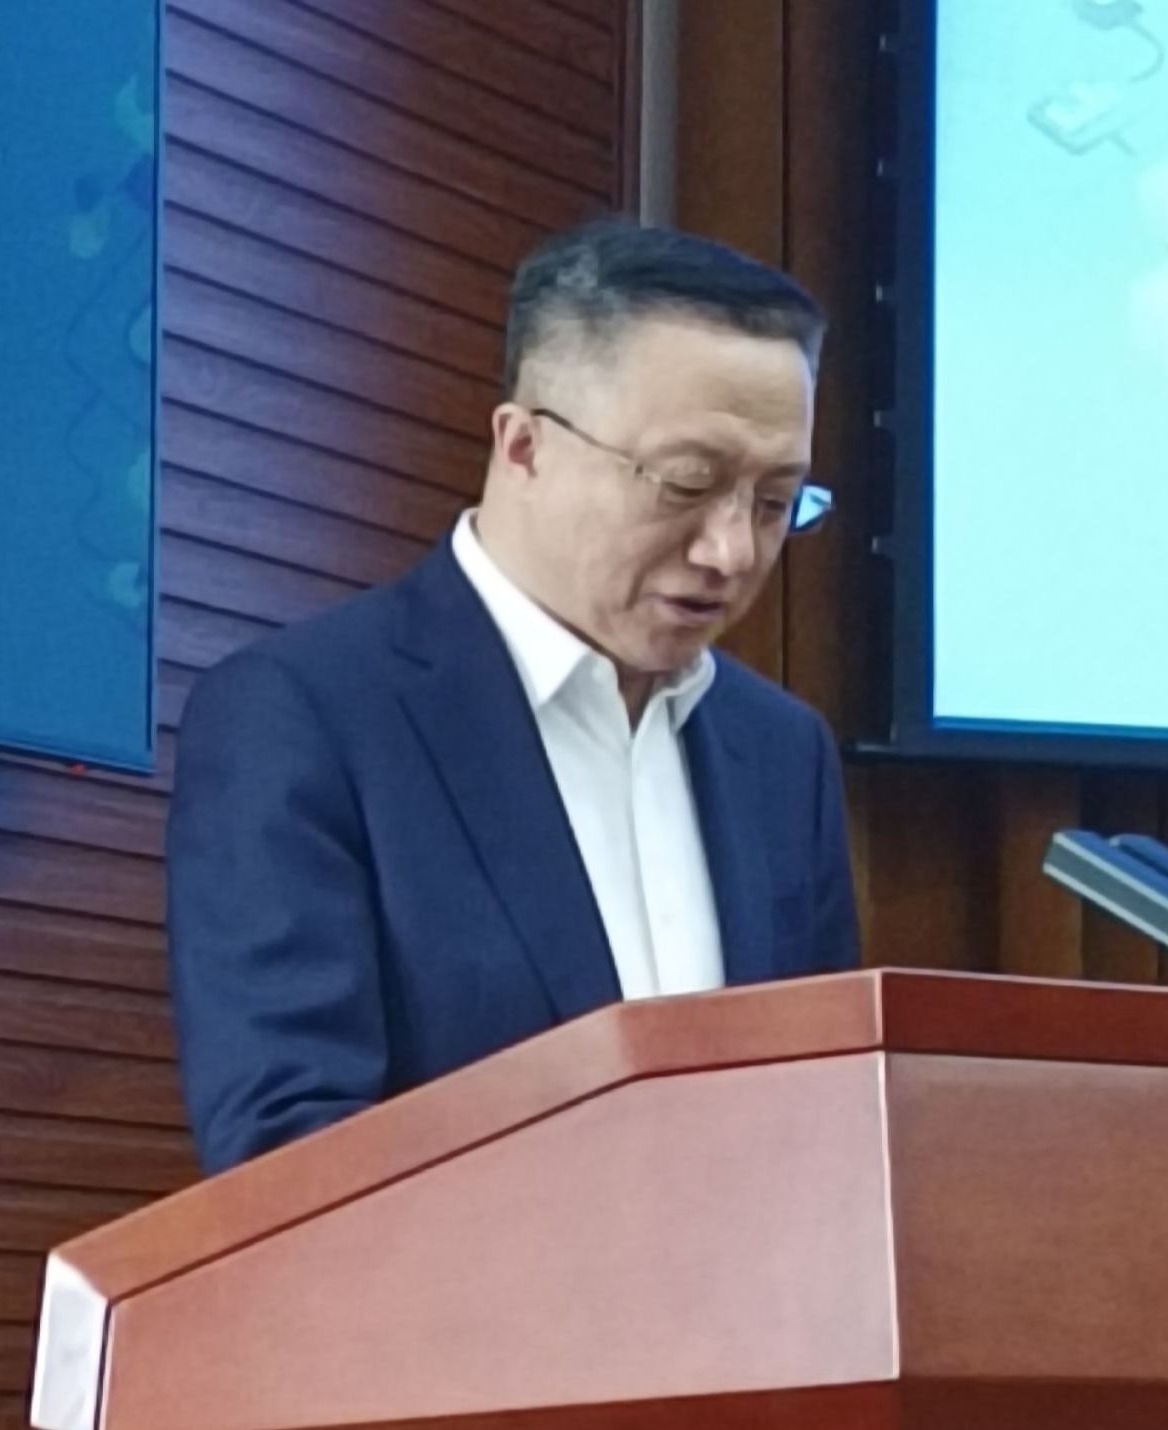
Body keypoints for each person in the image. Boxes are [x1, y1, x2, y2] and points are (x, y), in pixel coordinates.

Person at [165, 220, 861, 1173]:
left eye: (776, 502)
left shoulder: (782, 754)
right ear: (525, 445)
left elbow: (827, 1127)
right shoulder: (305, 720)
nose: (731, 551)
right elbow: (289, 1155)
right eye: (686, 484)